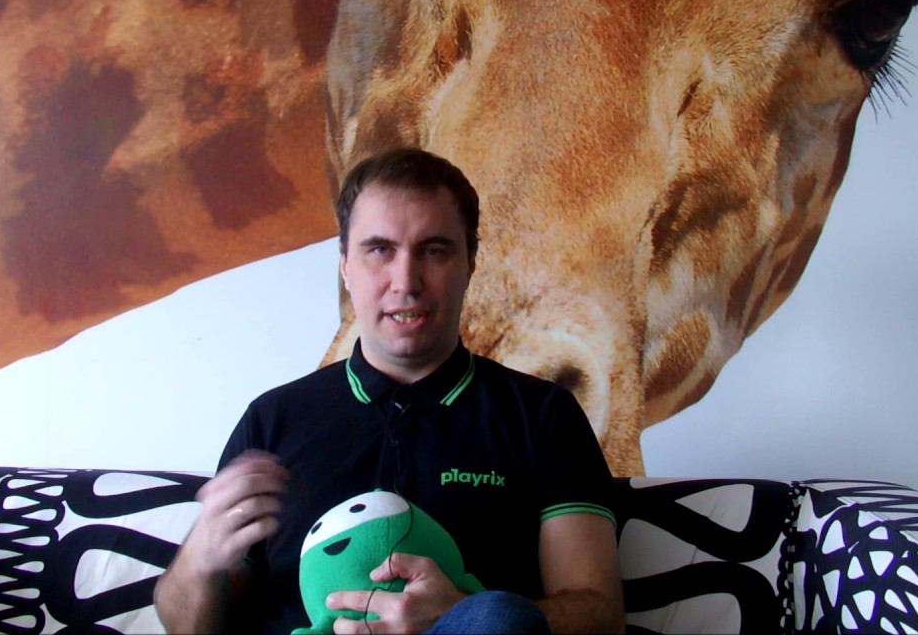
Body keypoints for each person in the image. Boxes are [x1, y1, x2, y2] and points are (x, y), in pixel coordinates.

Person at [154, 148, 624, 634]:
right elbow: (185, 626)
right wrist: (199, 558)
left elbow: (601, 616)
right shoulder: (272, 420)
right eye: (380, 250)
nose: (406, 282)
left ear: (470, 263)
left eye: (434, 250)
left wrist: (461, 613)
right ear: (345, 266)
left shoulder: (543, 415)